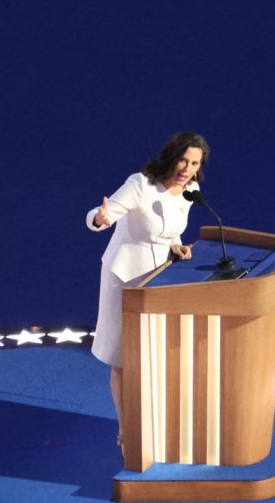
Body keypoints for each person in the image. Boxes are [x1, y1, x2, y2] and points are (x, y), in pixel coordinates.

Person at [85, 132, 209, 453]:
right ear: (172, 156)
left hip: (160, 281)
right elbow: (105, 214)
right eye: (184, 160)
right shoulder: (140, 184)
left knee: (156, 355)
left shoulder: (191, 191)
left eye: (194, 163)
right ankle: (127, 431)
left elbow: (173, 230)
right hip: (124, 276)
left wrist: (177, 246)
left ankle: (157, 421)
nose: (187, 168)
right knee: (122, 358)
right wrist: (100, 218)